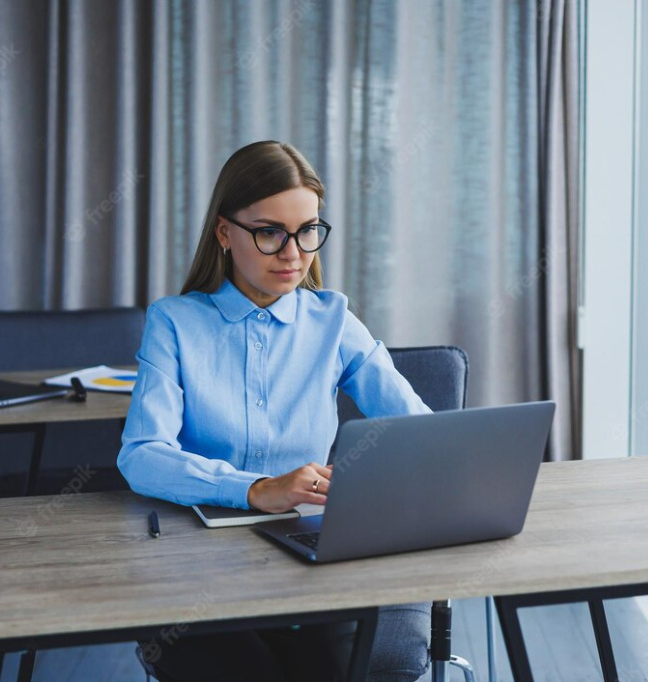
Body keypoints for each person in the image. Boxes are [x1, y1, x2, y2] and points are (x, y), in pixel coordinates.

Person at [118, 140, 431, 682]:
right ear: (224, 233)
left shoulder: (334, 320)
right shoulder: (173, 323)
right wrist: (255, 488)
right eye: (270, 233)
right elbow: (142, 455)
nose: (294, 253)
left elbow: (420, 429)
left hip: (309, 553)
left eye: (308, 230)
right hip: (199, 559)